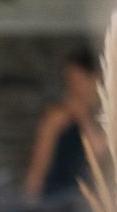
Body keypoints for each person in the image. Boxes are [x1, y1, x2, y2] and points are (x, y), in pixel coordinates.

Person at [23, 48, 107, 201]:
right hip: (58, 199)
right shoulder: (56, 118)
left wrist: (83, 119)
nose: (74, 89)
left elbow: (99, 152)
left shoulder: (104, 116)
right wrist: (30, 201)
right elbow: (38, 167)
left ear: (94, 80)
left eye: (78, 82)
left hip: (89, 201)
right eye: (70, 82)